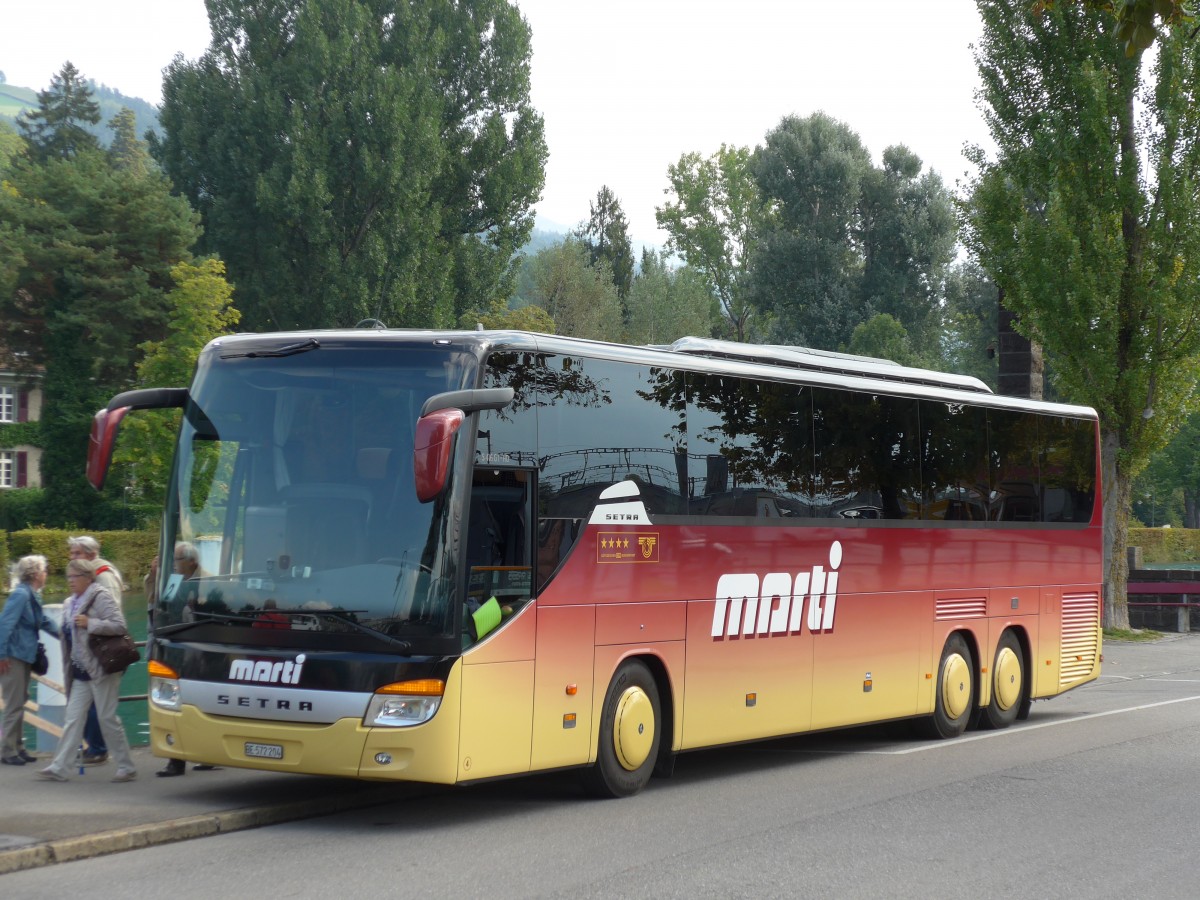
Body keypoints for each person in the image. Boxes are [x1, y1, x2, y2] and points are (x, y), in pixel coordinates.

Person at [34, 558, 137, 783]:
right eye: (68, 576)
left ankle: (126, 766)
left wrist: (91, 623)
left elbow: (119, 625)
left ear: (88, 577)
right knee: (73, 718)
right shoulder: (70, 602)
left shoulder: (100, 596)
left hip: (101, 669)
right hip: (81, 671)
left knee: (106, 717)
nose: (70, 581)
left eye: (75, 577)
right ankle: (60, 767)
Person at [157, 542, 219, 777]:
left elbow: (217, 615)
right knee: (174, 704)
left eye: (178, 559)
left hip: (200, 651)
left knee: (202, 705)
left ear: (192, 561)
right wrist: (153, 578)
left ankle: (208, 755)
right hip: (175, 648)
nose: (174, 564)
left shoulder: (211, 582)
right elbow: (159, 604)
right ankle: (176, 760)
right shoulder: (173, 580)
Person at [67, 536, 124, 766]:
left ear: (91, 555)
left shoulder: (102, 577)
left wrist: (87, 622)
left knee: (101, 710)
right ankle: (91, 752)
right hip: (93, 650)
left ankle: (101, 750)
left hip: (102, 650)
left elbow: (114, 617)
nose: (72, 558)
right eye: (72, 553)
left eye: (77, 553)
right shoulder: (98, 574)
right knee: (92, 707)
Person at [0, 555, 60, 766]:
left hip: (23, 655)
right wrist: (1, 655)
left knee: (20, 701)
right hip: (13, 657)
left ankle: (18, 747)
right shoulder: (20, 595)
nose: (46, 575)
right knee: (14, 705)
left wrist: (65, 635)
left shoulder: (30, 595)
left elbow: (42, 620)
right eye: (44, 571)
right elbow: (4, 624)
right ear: (36, 574)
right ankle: (8, 750)